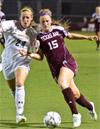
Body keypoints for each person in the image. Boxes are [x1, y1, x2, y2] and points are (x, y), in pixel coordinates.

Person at [0, 6, 38, 124]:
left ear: (31, 19)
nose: (25, 19)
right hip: (7, 61)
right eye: (23, 17)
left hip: (22, 61)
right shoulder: (11, 24)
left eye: (28, 18)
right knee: (13, 89)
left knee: (19, 83)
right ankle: (19, 110)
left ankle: (19, 115)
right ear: (20, 18)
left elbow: (34, 51)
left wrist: (30, 51)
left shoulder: (32, 33)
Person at [0, 0, 6, 72]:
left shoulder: (2, 14)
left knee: (7, 46)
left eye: (0, 6)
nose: (0, 7)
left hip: (1, 34)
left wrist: (1, 31)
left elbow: (3, 24)